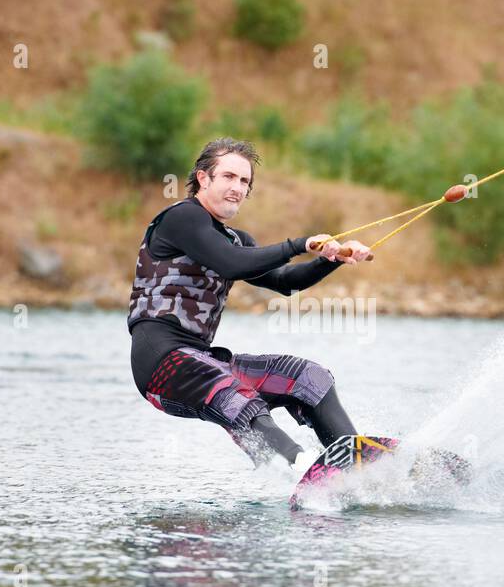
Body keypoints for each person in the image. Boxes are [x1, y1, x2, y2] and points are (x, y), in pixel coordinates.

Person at [127, 138, 374, 472]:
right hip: (161, 365)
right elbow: (230, 264)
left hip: (204, 360)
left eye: (244, 182)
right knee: (237, 398)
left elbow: (285, 282)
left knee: (307, 377)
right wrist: (299, 243)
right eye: (228, 177)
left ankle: (355, 462)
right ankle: (302, 467)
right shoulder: (181, 218)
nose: (237, 188)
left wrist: (333, 259)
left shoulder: (237, 240)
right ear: (203, 178)